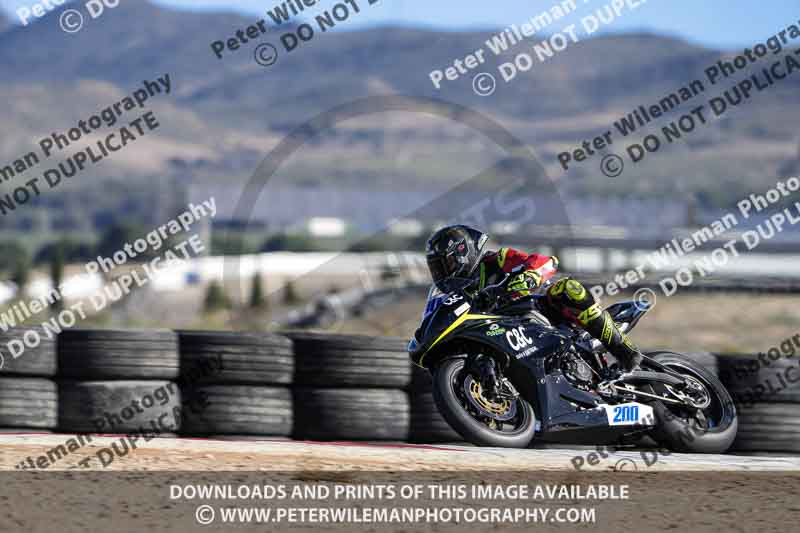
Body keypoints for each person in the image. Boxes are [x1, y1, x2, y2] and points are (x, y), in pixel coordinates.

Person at [424, 224, 642, 373]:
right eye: (436, 269)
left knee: (568, 289)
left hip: (541, 313)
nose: (442, 273)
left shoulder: (495, 261)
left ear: (463, 253)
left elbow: (544, 262)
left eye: (445, 265)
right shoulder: (454, 293)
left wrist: (528, 277)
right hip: (502, 334)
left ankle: (624, 350)